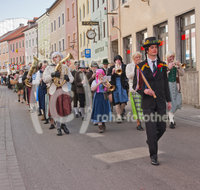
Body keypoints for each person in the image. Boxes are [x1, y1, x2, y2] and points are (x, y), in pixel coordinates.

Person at [133, 37, 171, 166]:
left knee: (162, 127)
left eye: (156, 47)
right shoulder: (140, 67)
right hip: (148, 103)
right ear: (147, 50)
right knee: (151, 129)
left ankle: (151, 141)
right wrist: (144, 91)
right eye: (152, 47)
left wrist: (169, 100)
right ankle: (153, 155)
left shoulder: (163, 65)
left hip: (160, 102)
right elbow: (136, 86)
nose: (155, 49)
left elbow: (166, 84)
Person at [43, 52, 74, 136]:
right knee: (56, 109)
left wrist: (68, 78)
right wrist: (52, 75)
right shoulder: (49, 68)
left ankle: (63, 124)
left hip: (63, 89)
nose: (57, 58)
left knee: (65, 108)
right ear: (53, 58)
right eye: (55, 57)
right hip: (54, 89)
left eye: (59, 57)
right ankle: (59, 127)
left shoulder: (65, 67)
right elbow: (45, 79)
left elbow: (72, 78)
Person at [108, 55, 129, 123]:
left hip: (122, 85)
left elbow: (127, 76)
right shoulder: (111, 68)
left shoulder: (124, 66)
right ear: (114, 61)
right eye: (116, 60)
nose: (118, 61)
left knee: (123, 101)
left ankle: (120, 112)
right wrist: (112, 73)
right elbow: (108, 78)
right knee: (117, 101)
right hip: (115, 86)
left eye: (119, 60)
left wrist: (122, 71)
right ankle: (119, 116)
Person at [126, 52, 144, 131]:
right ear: (133, 58)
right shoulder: (129, 66)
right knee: (136, 107)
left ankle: (141, 120)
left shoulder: (142, 65)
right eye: (136, 57)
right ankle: (138, 123)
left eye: (139, 57)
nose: (138, 59)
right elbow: (128, 75)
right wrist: (136, 69)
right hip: (133, 89)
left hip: (142, 89)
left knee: (142, 106)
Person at [166, 51, 184, 129]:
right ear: (167, 57)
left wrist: (179, 66)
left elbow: (182, 74)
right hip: (168, 85)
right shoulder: (164, 65)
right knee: (171, 102)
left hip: (176, 85)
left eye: (173, 57)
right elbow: (163, 75)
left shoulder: (176, 65)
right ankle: (171, 120)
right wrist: (168, 68)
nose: (172, 58)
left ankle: (170, 115)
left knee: (177, 102)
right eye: (170, 57)